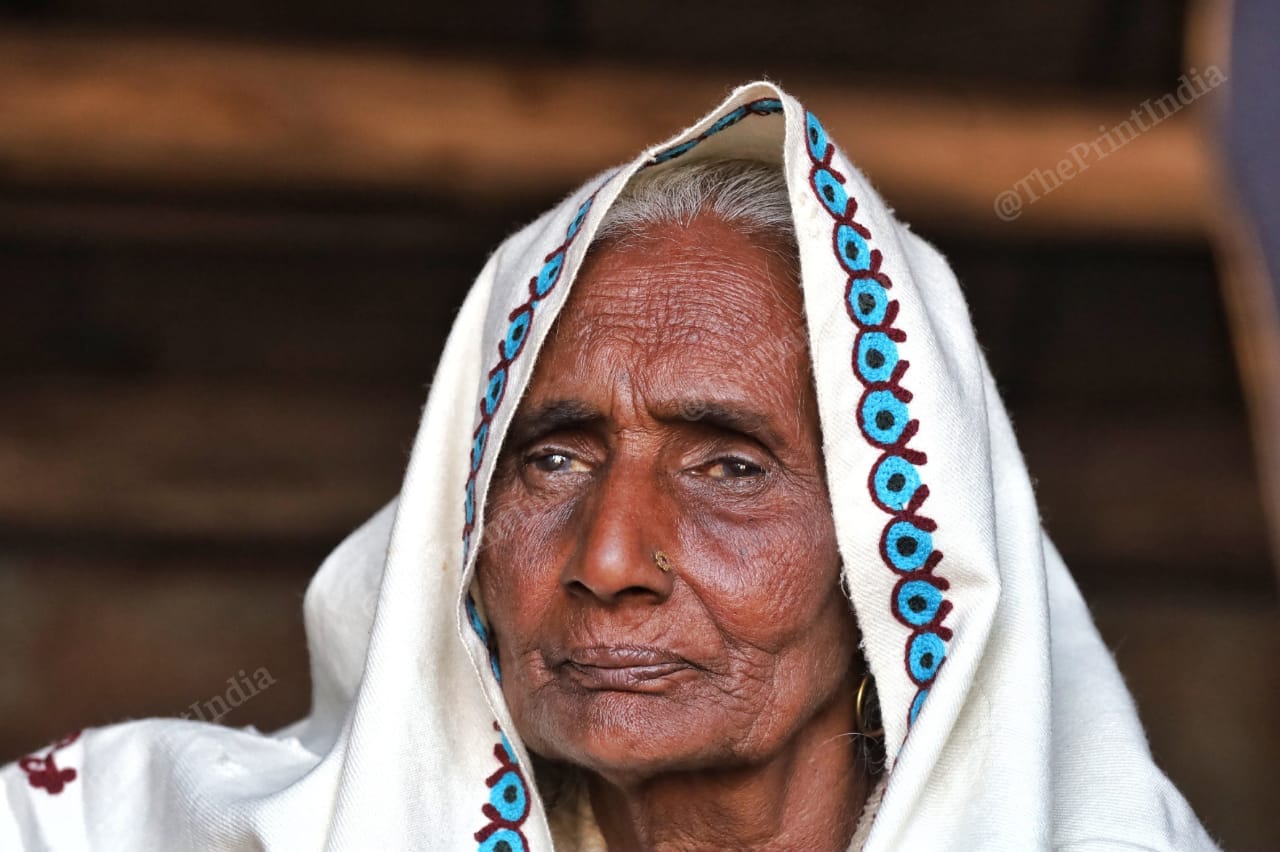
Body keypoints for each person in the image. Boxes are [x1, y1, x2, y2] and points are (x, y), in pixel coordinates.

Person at [1, 82, 1216, 850]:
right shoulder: (150, 829)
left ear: (901, 563)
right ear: (459, 526)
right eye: (550, 458)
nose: (610, 558)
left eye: (730, 467)